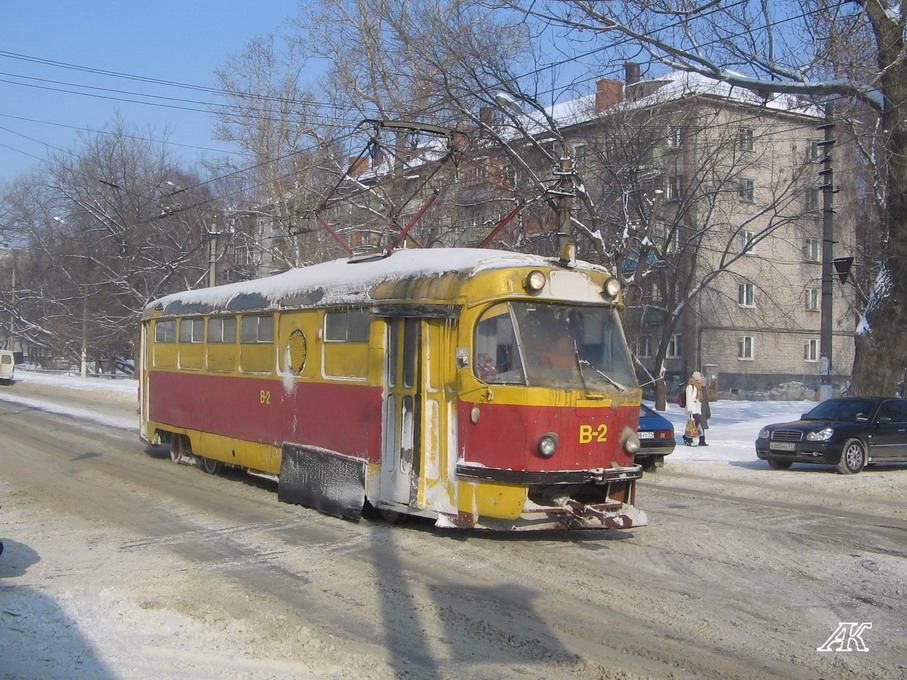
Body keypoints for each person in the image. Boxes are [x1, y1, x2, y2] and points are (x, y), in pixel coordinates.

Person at [683, 371, 710, 446]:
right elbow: (688, 399)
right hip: (692, 409)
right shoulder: (690, 387)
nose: (700, 380)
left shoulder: (697, 387)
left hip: (697, 409)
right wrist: (689, 409)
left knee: (697, 425)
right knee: (693, 425)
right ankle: (687, 438)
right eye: (699, 379)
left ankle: (696, 439)